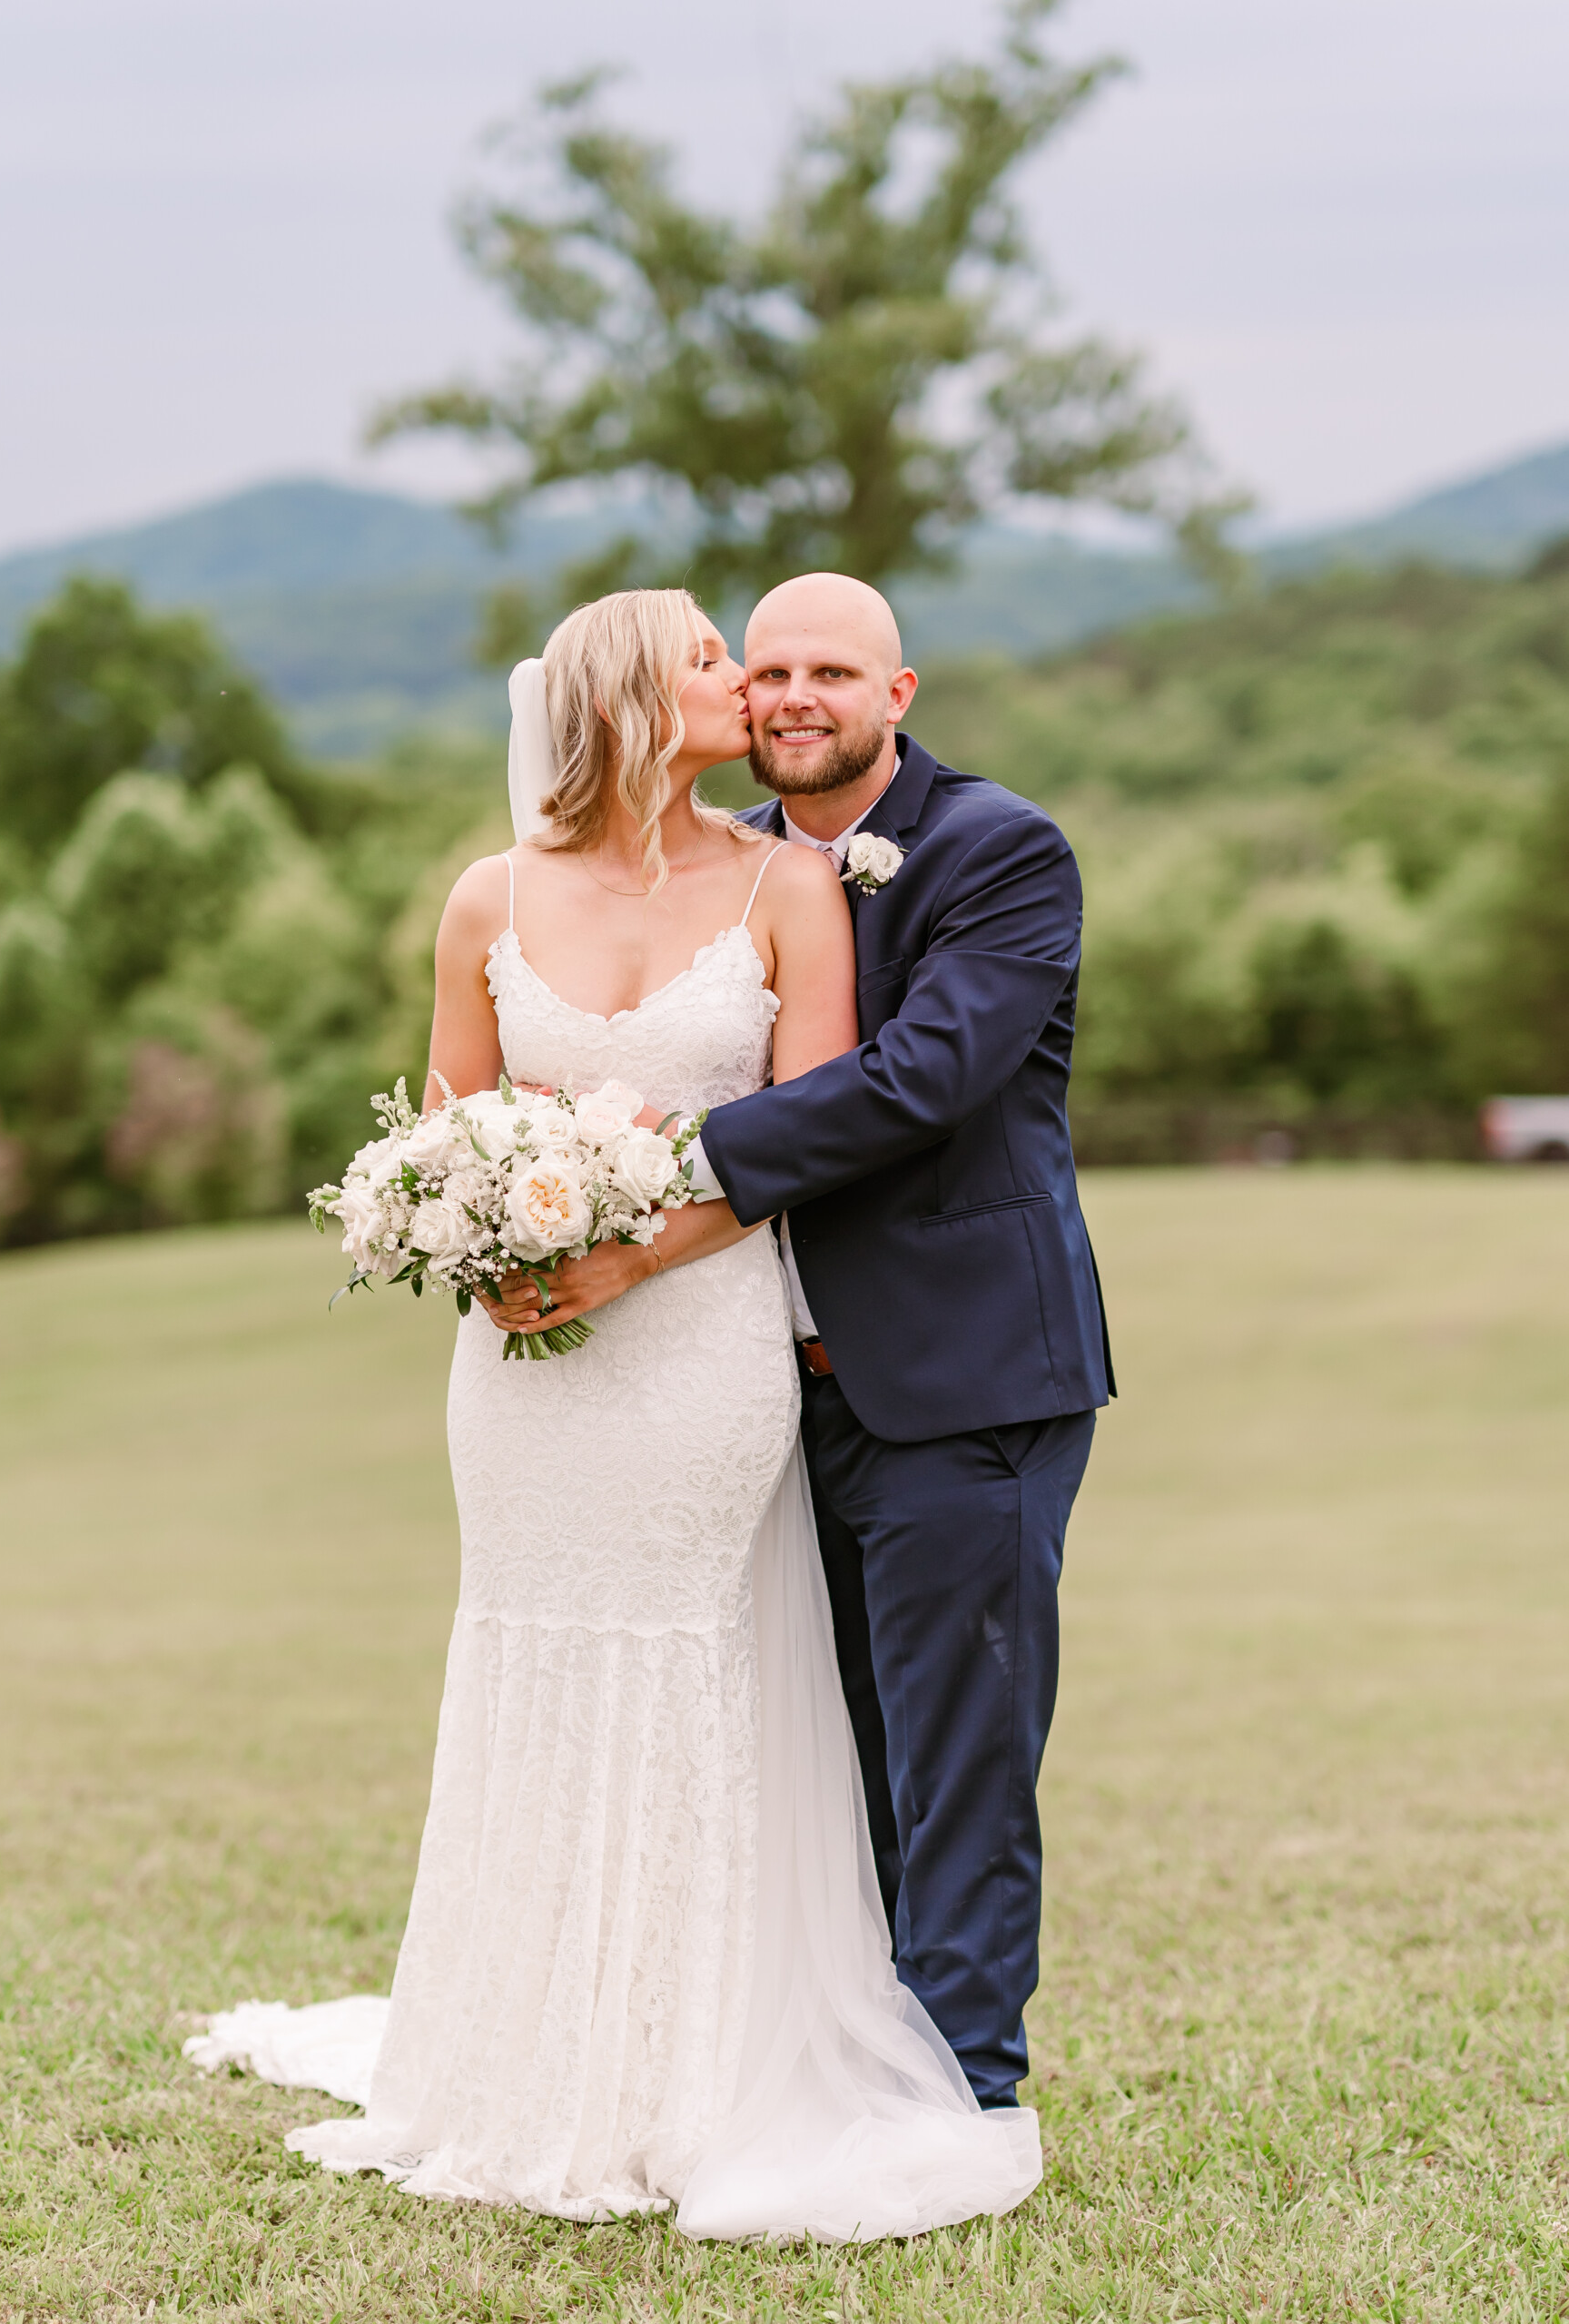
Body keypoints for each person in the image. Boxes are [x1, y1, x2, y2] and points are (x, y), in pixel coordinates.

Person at [186, 587, 1043, 2240]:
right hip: (523, 1384)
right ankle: (522, 2049)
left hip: (711, 1343)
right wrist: (481, 1238)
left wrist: (624, 1255)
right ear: (640, 700)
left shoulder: (797, 887)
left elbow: (811, 1131)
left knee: (701, 1659)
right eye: (718, 661)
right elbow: (452, 1121)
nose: (750, 685)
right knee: (531, 1653)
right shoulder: (486, 896)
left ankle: (697, 2064)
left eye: (768, 660)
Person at [515, 573, 1115, 2116]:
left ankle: (962, 2090)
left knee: (955, 1756)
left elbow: (924, 1079)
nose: (790, 695)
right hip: (761, 1394)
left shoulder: (999, 851)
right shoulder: (730, 866)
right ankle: (838, 2060)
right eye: (764, 667)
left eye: (830, 672)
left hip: (957, 1380)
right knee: (821, 1753)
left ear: (897, 694)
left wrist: (661, 1156)